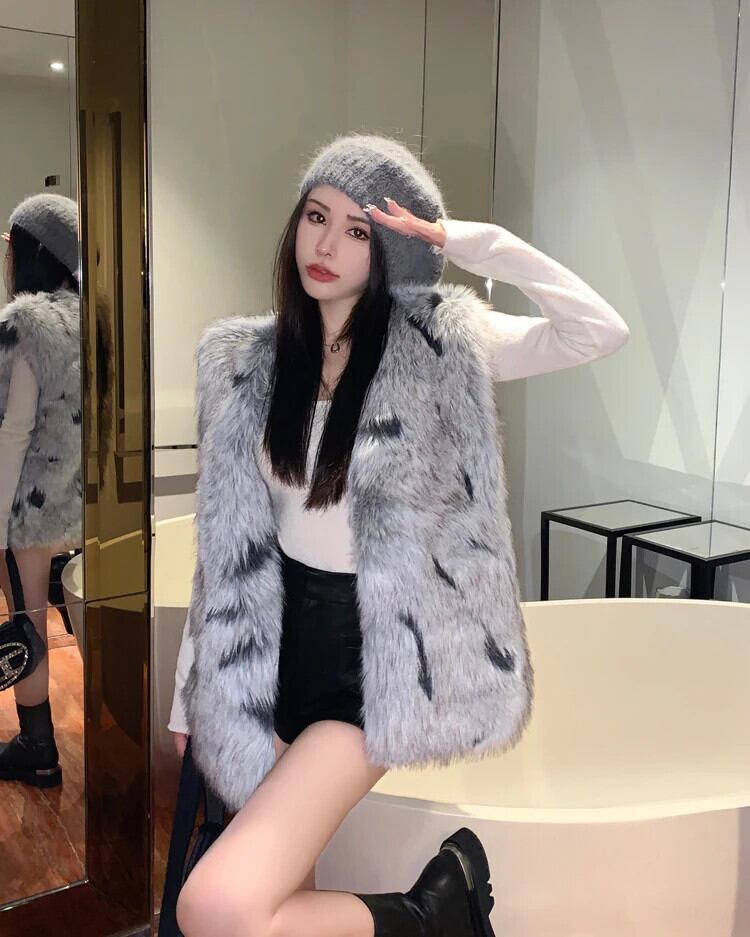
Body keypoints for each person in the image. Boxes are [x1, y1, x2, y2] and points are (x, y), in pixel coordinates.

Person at [170, 134, 630, 937]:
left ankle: (434, 915)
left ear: (393, 249)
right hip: (266, 657)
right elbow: (227, 548)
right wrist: (193, 692)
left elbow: (598, 330)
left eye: (358, 230)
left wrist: (465, 242)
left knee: (218, 905)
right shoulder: (248, 361)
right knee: (278, 900)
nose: (325, 245)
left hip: (370, 666)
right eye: (317, 216)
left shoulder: (439, 349)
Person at [0, 193, 82, 789]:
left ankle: (38, 747)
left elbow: (13, 433)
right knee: (56, 613)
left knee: (26, 624)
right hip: (72, 498)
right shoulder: (90, 319)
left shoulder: (25, 324)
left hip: (25, 507)